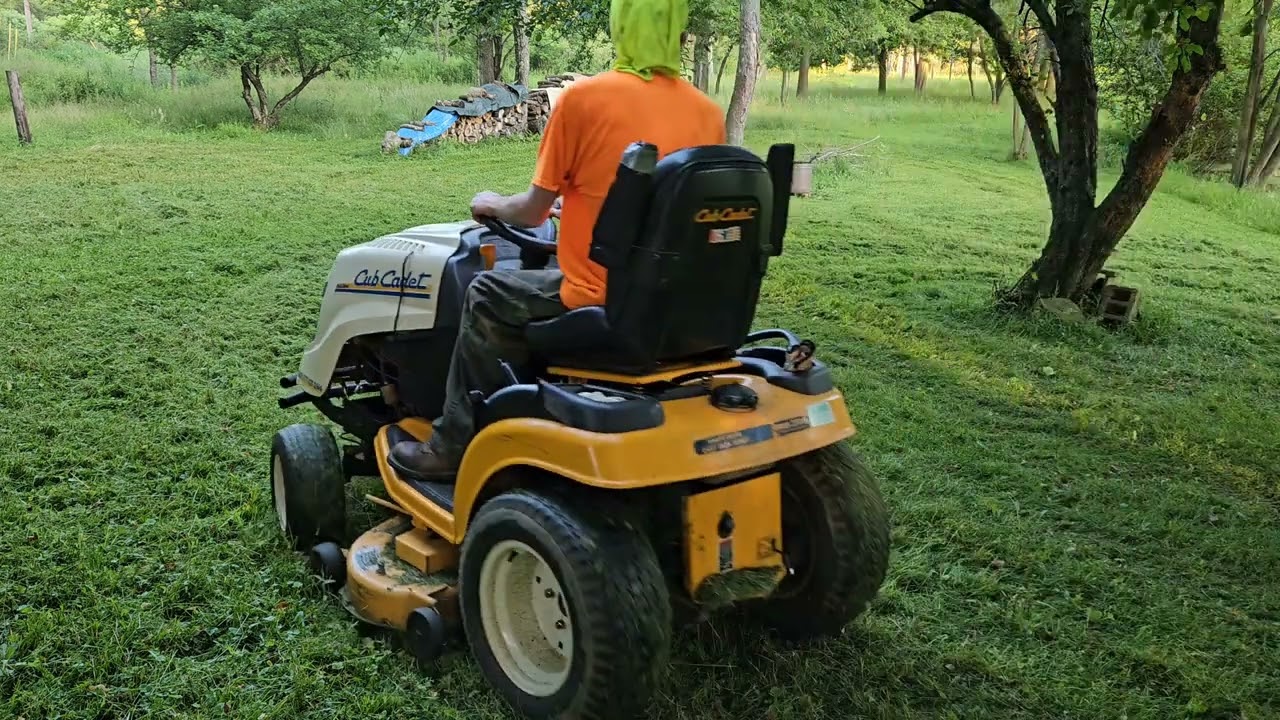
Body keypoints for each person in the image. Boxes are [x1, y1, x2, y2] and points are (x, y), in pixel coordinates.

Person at [389, 0, 727, 480]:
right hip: (676, 298)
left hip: (603, 297)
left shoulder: (584, 100)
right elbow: (667, 203)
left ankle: (452, 444)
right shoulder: (707, 113)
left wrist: (490, 202)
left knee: (487, 293)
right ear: (675, 28)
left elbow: (530, 212)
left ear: (623, 24)